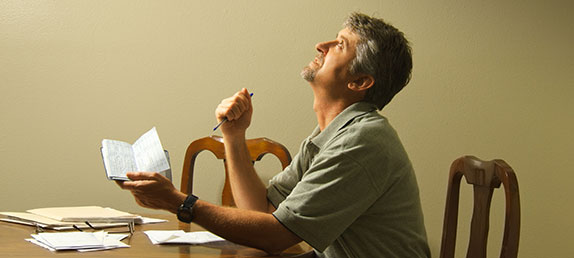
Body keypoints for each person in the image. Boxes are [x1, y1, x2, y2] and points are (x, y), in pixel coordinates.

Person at [117, 12, 430, 258]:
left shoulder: (361, 143)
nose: (322, 46)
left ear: (360, 81)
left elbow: (277, 236)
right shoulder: (332, 135)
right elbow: (261, 210)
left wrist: (181, 203)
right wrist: (235, 136)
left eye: (340, 45)